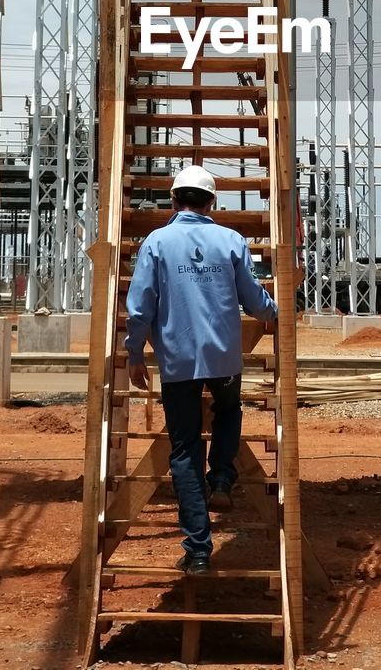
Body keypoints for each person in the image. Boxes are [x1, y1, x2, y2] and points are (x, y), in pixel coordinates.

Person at [125, 164, 277, 574]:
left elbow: (140, 307)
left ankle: (197, 551)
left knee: (185, 449)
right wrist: (274, 312)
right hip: (224, 357)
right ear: (212, 202)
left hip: (177, 361)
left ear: (174, 200)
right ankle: (223, 479)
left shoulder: (156, 242)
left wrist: (135, 352)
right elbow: (253, 297)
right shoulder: (230, 240)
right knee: (229, 410)